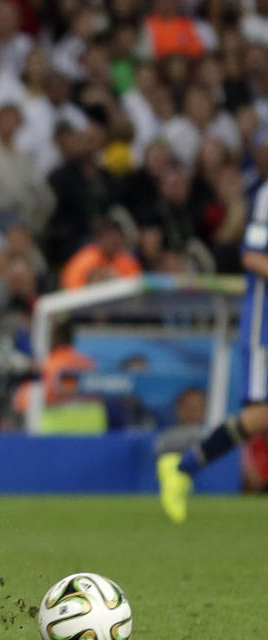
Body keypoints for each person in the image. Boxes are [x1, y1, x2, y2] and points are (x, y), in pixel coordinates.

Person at [157, 173, 268, 522]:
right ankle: (182, 466)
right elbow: (252, 255)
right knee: (260, 416)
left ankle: (183, 466)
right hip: (264, 327)